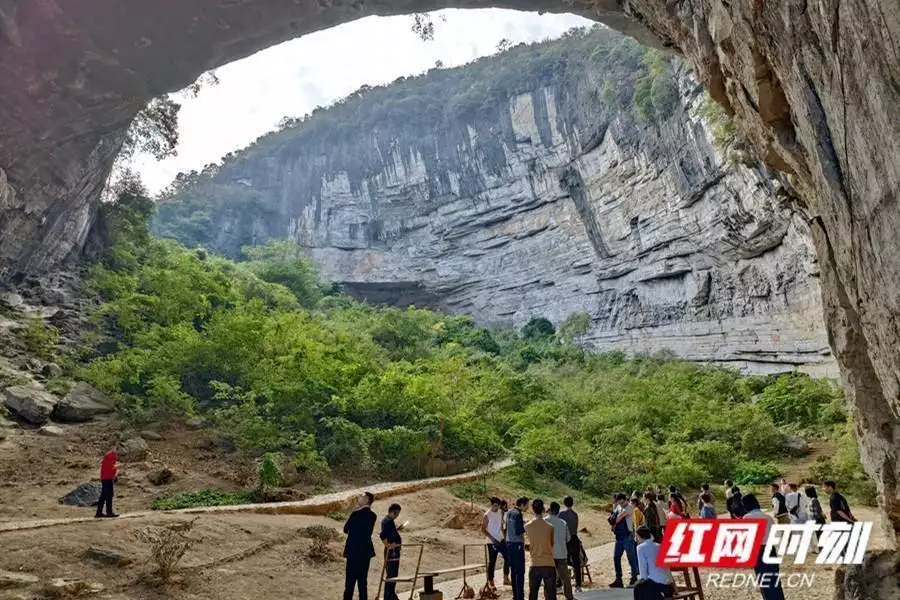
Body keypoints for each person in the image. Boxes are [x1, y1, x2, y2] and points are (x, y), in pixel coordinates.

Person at [742, 494, 785, 600]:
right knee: (774, 578)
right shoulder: (768, 518)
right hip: (771, 550)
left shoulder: (747, 518)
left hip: (758, 550)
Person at [343, 492, 377, 600]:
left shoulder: (355, 514)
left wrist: (356, 510)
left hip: (353, 551)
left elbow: (345, 529)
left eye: (361, 497)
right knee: (363, 582)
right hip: (365, 552)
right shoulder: (373, 516)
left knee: (350, 582)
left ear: (367, 500)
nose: (359, 498)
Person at [525, 499, 557, 600]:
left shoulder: (527, 526)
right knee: (551, 594)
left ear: (532, 509)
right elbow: (551, 544)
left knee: (533, 594)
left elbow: (530, 543)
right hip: (548, 564)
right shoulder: (550, 527)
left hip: (535, 564)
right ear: (543, 509)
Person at [633, 526, 674, 600]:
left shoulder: (640, 548)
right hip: (668, 587)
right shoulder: (659, 545)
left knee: (638, 588)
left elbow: (643, 571)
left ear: (640, 536)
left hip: (656, 587)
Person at [609, 493, 638, 588]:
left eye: (621, 503)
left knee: (631, 558)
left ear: (625, 500)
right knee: (616, 557)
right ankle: (618, 579)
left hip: (627, 537)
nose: (620, 505)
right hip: (619, 537)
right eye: (619, 503)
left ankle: (634, 578)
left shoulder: (629, 507)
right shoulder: (618, 506)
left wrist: (613, 521)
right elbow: (613, 519)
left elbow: (617, 519)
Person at [546, 502, 573, 600]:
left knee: (549, 578)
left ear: (550, 510)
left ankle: (550, 597)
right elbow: (568, 538)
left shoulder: (545, 521)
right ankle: (569, 596)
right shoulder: (563, 523)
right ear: (558, 511)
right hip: (561, 553)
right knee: (565, 578)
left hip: (549, 555)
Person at [380, 503, 404, 600]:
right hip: (392, 552)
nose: (397, 515)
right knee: (391, 575)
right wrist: (388, 545)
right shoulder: (387, 521)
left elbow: (390, 533)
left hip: (394, 551)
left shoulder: (389, 521)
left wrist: (397, 530)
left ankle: (391, 595)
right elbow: (382, 535)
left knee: (393, 575)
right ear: (393, 511)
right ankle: (389, 596)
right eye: (397, 513)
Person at [506, 497, 529, 600]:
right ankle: (520, 596)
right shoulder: (518, 514)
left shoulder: (510, 512)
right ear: (522, 504)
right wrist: (526, 525)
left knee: (513, 571)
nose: (528, 507)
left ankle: (515, 595)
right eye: (527, 505)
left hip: (509, 544)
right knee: (520, 572)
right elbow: (518, 530)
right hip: (517, 545)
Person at [482, 497, 507, 589]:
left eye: (498, 505)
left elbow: (501, 526)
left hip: (501, 540)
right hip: (491, 542)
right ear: (492, 505)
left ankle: (506, 577)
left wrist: (505, 537)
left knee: (508, 557)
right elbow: (483, 529)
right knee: (492, 561)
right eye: (495, 505)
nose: (497, 507)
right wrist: (492, 540)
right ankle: (491, 581)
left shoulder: (501, 512)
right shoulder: (487, 515)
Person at [559, 496, 582, 593]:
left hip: (565, 540)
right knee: (576, 562)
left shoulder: (561, 514)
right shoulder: (575, 514)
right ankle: (578, 585)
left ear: (564, 503)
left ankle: (560, 583)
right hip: (574, 538)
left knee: (562, 561)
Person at [95, 450, 119, 518]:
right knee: (109, 494)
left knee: (104, 495)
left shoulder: (110, 456)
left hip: (106, 477)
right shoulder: (110, 456)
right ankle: (109, 512)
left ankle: (99, 512)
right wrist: (117, 468)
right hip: (107, 477)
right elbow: (110, 467)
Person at [501, 499, 512, 586]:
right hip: (503, 540)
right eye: (505, 506)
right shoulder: (503, 515)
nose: (507, 508)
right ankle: (505, 578)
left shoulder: (503, 514)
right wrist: (505, 539)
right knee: (507, 559)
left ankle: (506, 577)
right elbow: (504, 528)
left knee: (507, 559)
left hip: (502, 539)